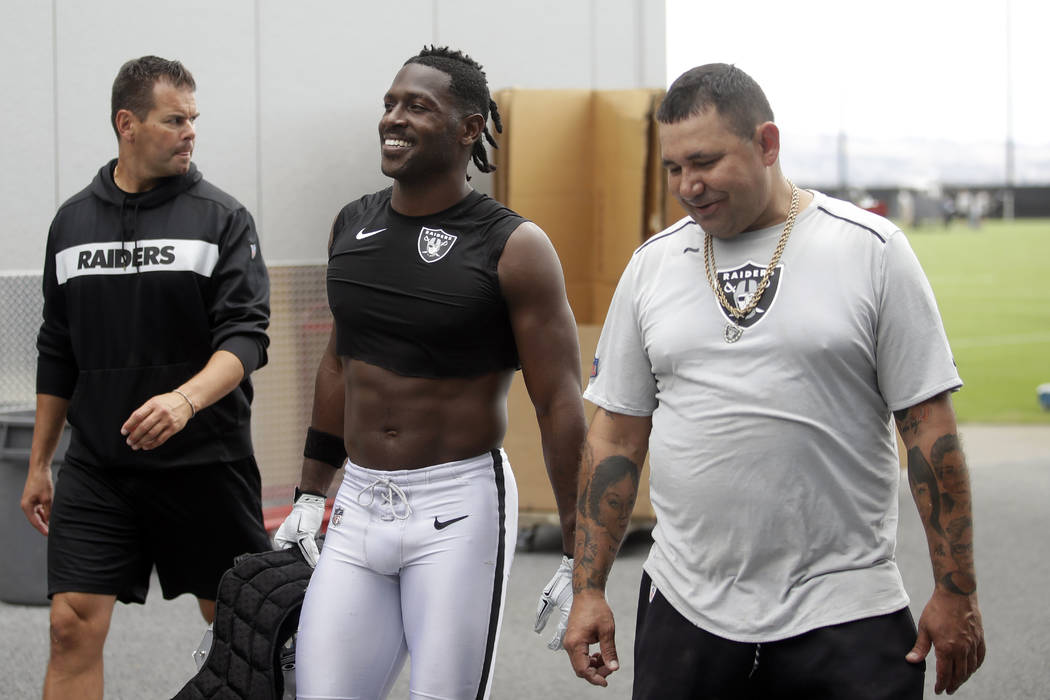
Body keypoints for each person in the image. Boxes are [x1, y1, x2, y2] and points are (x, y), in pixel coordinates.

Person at [563, 63, 985, 699]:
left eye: (704, 161)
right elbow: (616, 437)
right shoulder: (652, 266)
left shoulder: (870, 249)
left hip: (846, 605)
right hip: (686, 604)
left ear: (767, 143)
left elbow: (929, 431)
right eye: (674, 168)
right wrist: (588, 588)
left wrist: (957, 591)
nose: (688, 185)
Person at [272, 46, 586, 699]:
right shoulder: (351, 224)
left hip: (456, 506)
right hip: (357, 504)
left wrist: (580, 548)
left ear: (470, 127)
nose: (395, 118)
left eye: (418, 106)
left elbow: (559, 404)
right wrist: (310, 491)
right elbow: (339, 362)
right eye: (390, 103)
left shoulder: (514, 247)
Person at [20, 56, 272, 700]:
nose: (190, 132)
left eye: (194, 119)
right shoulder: (72, 223)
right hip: (101, 468)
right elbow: (57, 347)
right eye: (174, 120)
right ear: (126, 124)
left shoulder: (223, 219)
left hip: (205, 463)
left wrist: (185, 401)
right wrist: (40, 462)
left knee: (238, 631)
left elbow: (245, 338)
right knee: (70, 625)